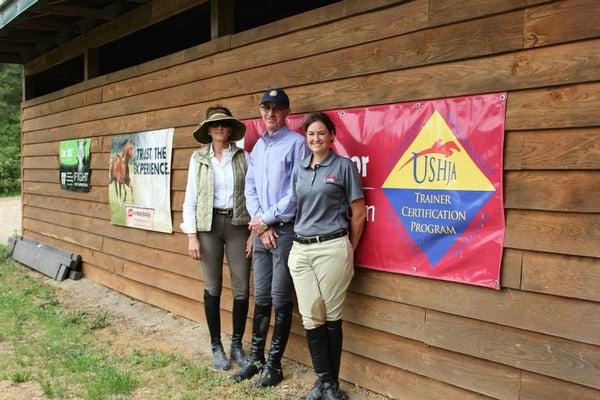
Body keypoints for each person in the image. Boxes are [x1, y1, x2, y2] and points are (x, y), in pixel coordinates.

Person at [231, 88, 310, 387]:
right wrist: (260, 222)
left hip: (285, 231)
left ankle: (274, 365)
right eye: (266, 108)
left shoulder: (297, 144)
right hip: (262, 230)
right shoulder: (259, 147)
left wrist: (267, 219)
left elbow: (296, 192)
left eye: (276, 108)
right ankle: (256, 359)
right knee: (261, 297)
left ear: (287, 112)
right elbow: (249, 187)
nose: (270, 113)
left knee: (280, 298)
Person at [289, 112, 366, 400]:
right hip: (301, 249)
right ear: (306, 137)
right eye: (311, 134)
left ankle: (330, 387)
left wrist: (349, 248)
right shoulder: (299, 168)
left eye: (322, 133)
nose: (316, 139)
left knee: (332, 316)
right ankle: (324, 383)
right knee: (311, 317)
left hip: (332, 247)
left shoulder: (344, 166)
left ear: (332, 136)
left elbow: (358, 214)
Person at [181, 106, 252, 371]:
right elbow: (190, 198)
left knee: (242, 285)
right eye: (215, 125)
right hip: (208, 226)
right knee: (212, 286)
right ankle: (216, 346)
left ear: (230, 129)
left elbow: (253, 194)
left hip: (238, 224)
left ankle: (236, 344)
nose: (220, 128)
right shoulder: (198, 159)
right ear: (208, 130)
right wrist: (191, 235)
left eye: (225, 124)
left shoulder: (244, 157)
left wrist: (254, 232)